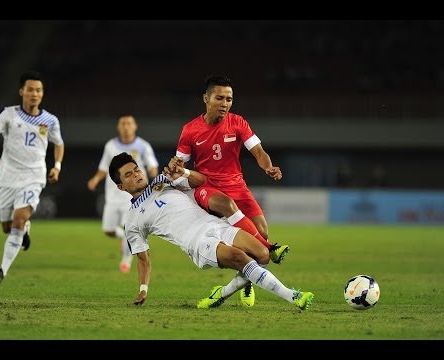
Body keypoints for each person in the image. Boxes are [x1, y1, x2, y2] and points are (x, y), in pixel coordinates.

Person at [108, 152, 314, 310]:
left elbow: (202, 182)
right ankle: (293, 296)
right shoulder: (132, 220)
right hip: (196, 241)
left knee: (262, 254)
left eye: (136, 169)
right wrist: (143, 290)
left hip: (215, 224)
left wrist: (184, 172)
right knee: (240, 258)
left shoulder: (163, 180)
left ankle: (222, 292)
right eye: (128, 174)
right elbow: (143, 258)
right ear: (121, 186)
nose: (136, 174)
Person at [172, 74, 287, 307]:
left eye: (229, 99)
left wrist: (268, 167)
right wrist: (175, 169)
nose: (225, 104)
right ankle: (270, 249)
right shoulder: (190, 130)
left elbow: (258, 152)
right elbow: (179, 166)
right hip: (207, 187)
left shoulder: (238, 122)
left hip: (237, 185)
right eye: (220, 98)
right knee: (226, 205)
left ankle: (246, 281)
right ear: (206, 98)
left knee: (261, 231)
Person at [0, 70, 65, 285]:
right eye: (30, 90)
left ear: (42, 93)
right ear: (22, 91)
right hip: (8, 177)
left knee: (18, 219)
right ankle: (25, 228)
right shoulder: (8, 114)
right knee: (7, 228)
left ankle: (1, 271)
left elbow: (59, 144)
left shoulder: (50, 120)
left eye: (38, 90)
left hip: (33, 177)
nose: (34, 94)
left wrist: (56, 166)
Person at [87, 115, 159, 273]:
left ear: (135, 126)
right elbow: (104, 168)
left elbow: (152, 165)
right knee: (108, 230)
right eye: (123, 124)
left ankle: (126, 259)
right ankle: (122, 238)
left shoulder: (143, 146)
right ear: (119, 127)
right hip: (113, 195)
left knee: (129, 228)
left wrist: (154, 174)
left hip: (132, 196)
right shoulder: (110, 146)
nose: (126, 126)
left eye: (129, 123)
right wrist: (95, 179)